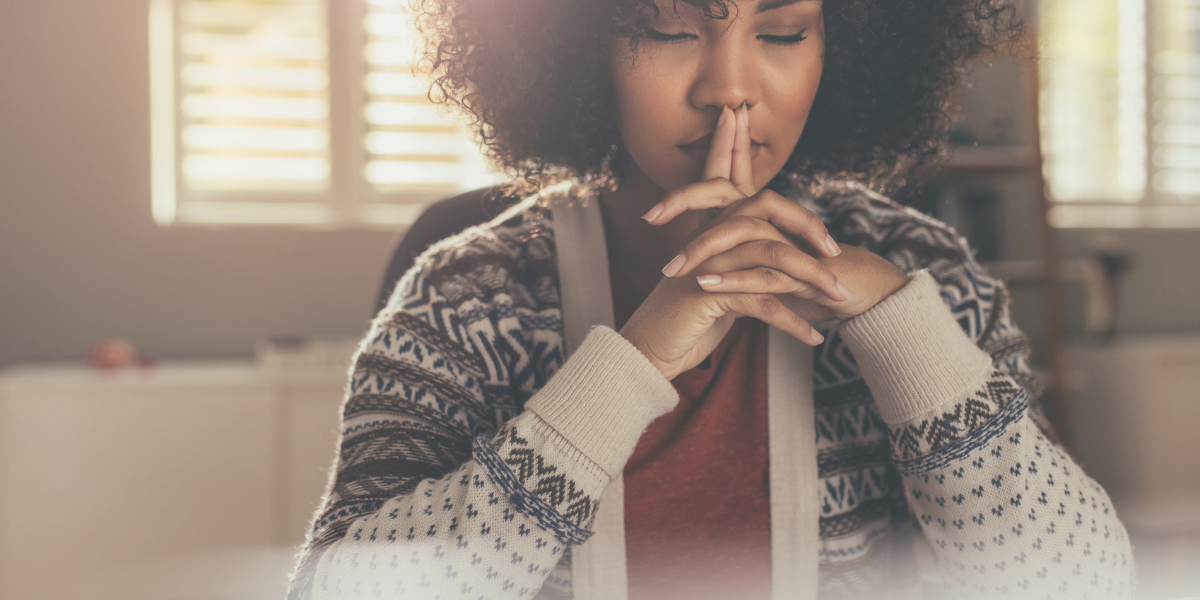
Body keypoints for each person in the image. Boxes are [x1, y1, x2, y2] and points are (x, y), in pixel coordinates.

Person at [287, 0, 1135, 598]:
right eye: (667, 27)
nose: (730, 87)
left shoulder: (923, 272)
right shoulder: (472, 299)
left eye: (782, 30)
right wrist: (632, 365)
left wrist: (901, 333)